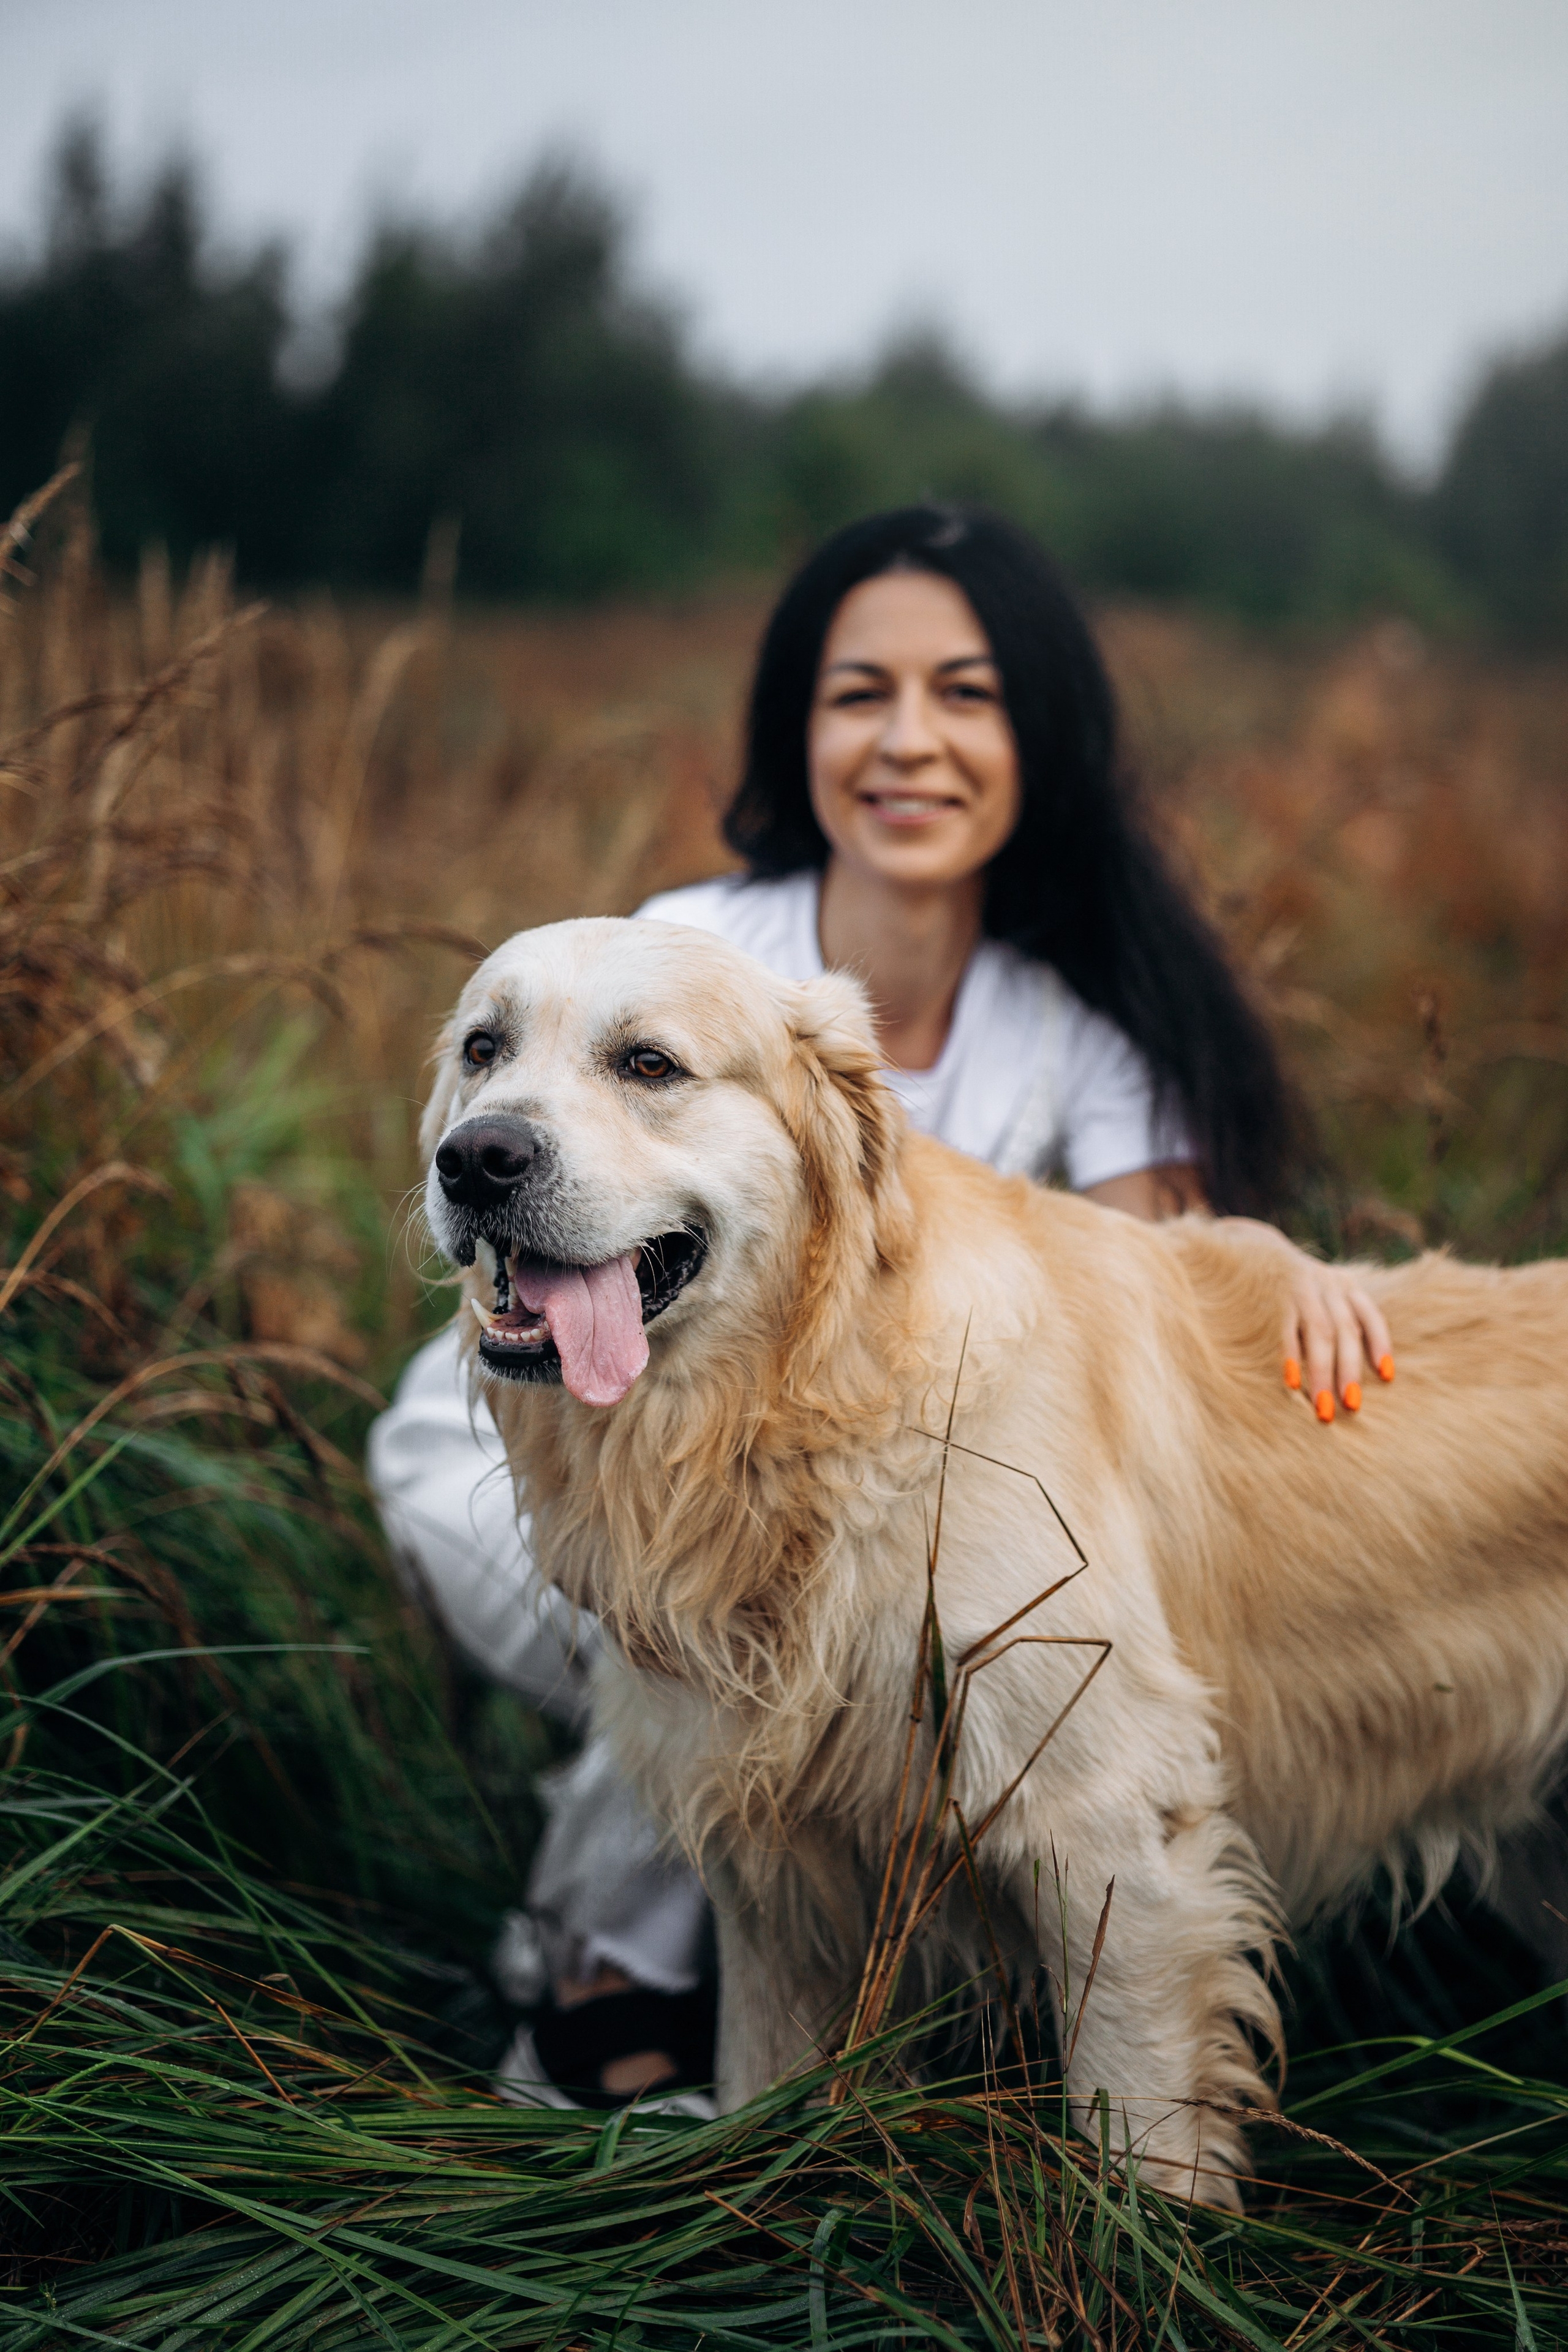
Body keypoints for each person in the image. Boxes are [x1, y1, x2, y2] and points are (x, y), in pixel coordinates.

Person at [368, 505, 1393, 2110]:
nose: (909, 739)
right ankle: (610, 1972)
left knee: (797, 1613)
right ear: (799, 728)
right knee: (710, 1621)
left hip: (812, 1468)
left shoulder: (1079, 1031)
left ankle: (839, 2022)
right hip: (536, 1460)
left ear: (1040, 739)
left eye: (965, 694)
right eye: (861, 694)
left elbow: (1169, 1294)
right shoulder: (686, 946)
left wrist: (1284, 1271)